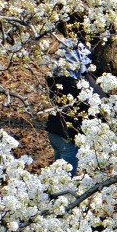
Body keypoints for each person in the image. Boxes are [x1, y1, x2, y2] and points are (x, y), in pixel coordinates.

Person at [46, 36, 100, 176]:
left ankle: (53, 196)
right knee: (64, 181)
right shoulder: (74, 85)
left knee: (56, 178)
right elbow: (92, 102)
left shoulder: (54, 77)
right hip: (67, 138)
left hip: (54, 133)